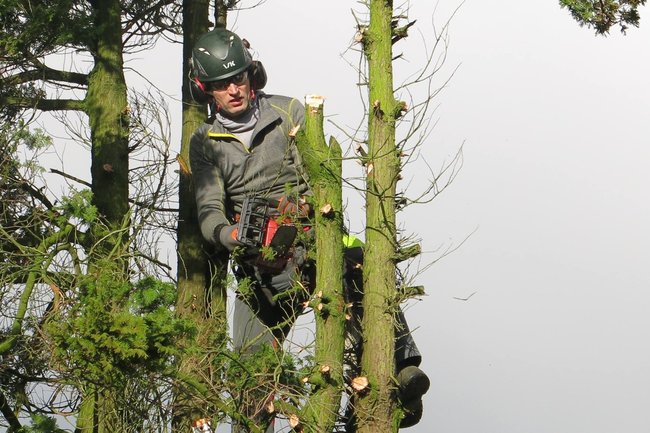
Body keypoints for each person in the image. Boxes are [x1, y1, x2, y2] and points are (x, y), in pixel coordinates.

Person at [188, 27, 429, 430]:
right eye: (221, 84)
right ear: (204, 89)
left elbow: (322, 175)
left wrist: (305, 212)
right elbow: (209, 208)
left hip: (314, 238)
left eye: (239, 77)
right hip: (260, 266)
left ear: (253, 74)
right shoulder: (205, 141)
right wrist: (233, 236)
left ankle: (402, 371)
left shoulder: (290, 113)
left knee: (362, 267)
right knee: (250, 376)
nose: (233, 89)